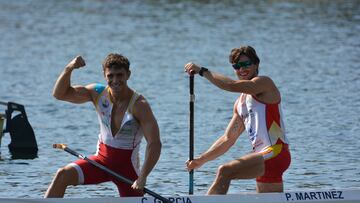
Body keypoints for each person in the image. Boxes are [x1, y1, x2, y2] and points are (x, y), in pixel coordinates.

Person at [45, 53, 162, 197]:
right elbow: (60, 94)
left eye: (120, 75)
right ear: (104, 75)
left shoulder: (140, 105)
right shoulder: (97, 93)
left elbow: (154, 144)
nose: (115, 80)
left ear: (128, 75)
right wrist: (69, 68)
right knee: (62, 175)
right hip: (100, 162)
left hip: (127, 170)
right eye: (110, 76)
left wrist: (143, 177)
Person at [184, 45, 291, 194]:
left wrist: (202, 71)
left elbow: (231, 85)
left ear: (256, 64)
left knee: (225, 171)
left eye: (246, 64)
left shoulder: (264, 84)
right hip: (264, 157)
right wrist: (201, 160)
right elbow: (228, 138)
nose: (242, 69)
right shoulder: (240, 104)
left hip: (275, 152)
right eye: (237, 66)